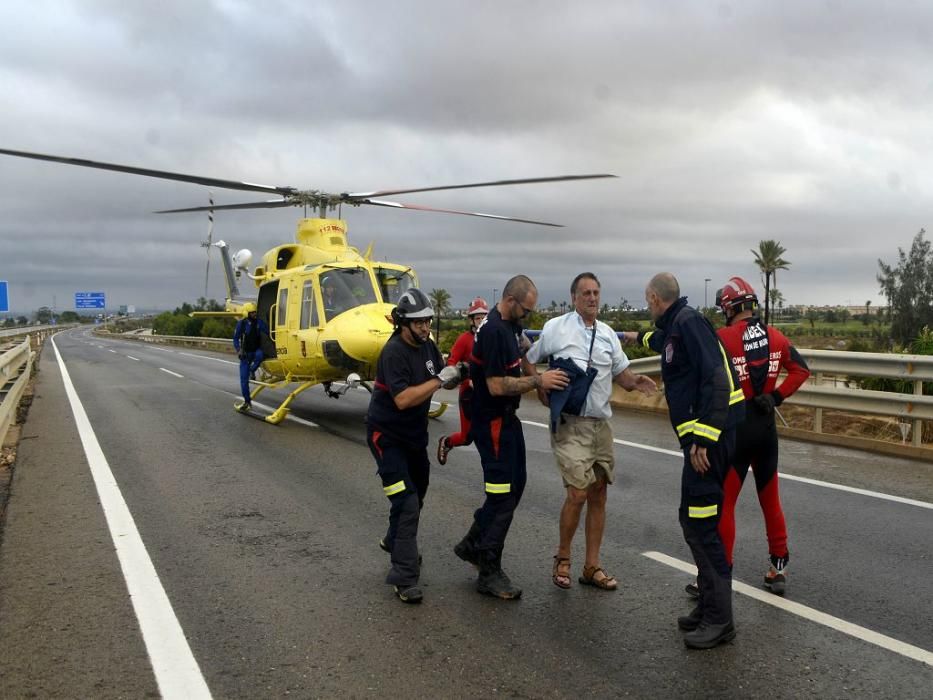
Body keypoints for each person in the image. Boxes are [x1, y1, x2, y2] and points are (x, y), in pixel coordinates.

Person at [523, 273, 656, 592]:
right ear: (573, 297)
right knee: (577, 492)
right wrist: (539, 384)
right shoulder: (556, 328)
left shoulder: (608, 334)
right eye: (586, 293)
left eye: (596, 292)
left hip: (600, 425)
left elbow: (621, 374)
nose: (592, 298)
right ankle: (563, 557)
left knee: (599, 493)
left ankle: (591, 566)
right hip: (570, 424)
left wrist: (635, 382)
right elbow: (529, 358)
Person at [638, 272, 745, 649]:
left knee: (702, 527)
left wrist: (704, 437)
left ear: (653, 297)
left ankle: (720, 619)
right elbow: (661, 342)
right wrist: (627, 336)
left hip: (709, 445)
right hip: (700, 443)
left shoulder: (690, 324)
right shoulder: (677, 326)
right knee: (691, 519)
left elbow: (718, 380)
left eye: (646, 298)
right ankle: (708, 606)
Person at [687, 276, 809, 596]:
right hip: (766, 429)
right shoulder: (776, 337)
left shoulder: (722, 339)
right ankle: (777, 569)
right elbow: (802, 370)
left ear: (729, 308)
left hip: (736, 431)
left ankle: (719, 573)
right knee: (770, 499)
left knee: (725, 503)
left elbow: (706, 382)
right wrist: (777, 397)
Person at [454, 275, 570, 599]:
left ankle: (472, 543)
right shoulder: (491, 331)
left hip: (507, 420)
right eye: (527, 310)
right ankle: (488, 569)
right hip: (490, 422)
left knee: (515, 487)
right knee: (502, 496)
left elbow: (522, 357)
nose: (528, 317)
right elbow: (494, 385)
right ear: (510, 300)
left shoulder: (511, 327)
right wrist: (538, 382)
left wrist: (539, 380)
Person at [366, 288, 461, 604]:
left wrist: (458, 374)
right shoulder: (393, 353)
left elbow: (441, 373)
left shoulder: (428, 347)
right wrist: (440, 381)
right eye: (419, 323)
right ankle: (404, 577)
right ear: (402, 324)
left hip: (414, 440)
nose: (425, 328)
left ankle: (395, 540)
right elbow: (404, 399)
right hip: (387, 438)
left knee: (417, 497)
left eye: (428, 321)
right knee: (405, 502)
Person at [437, 297, 489, 465]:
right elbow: (450, 363)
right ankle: (447, 442)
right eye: (477, 317)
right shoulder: (464, 339)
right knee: (467, 438)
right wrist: (464, 376)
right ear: (471, 320)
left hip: (488, 392)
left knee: (487, 434)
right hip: (469, 394)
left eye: (483, 317)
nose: (481, 321)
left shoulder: (491, 338)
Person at [232, 302, 269, 411]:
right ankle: (247, 401)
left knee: (260, 355)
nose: (254, 314)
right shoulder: (241, 324)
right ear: (247, 313)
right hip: (245, 355)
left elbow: (268, 331)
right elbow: (235, 339)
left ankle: (252, 370)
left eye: (255, 312)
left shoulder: (259, 323)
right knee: (244, 381)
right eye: (252, 312)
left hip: (255, 351)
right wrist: (238, 350)